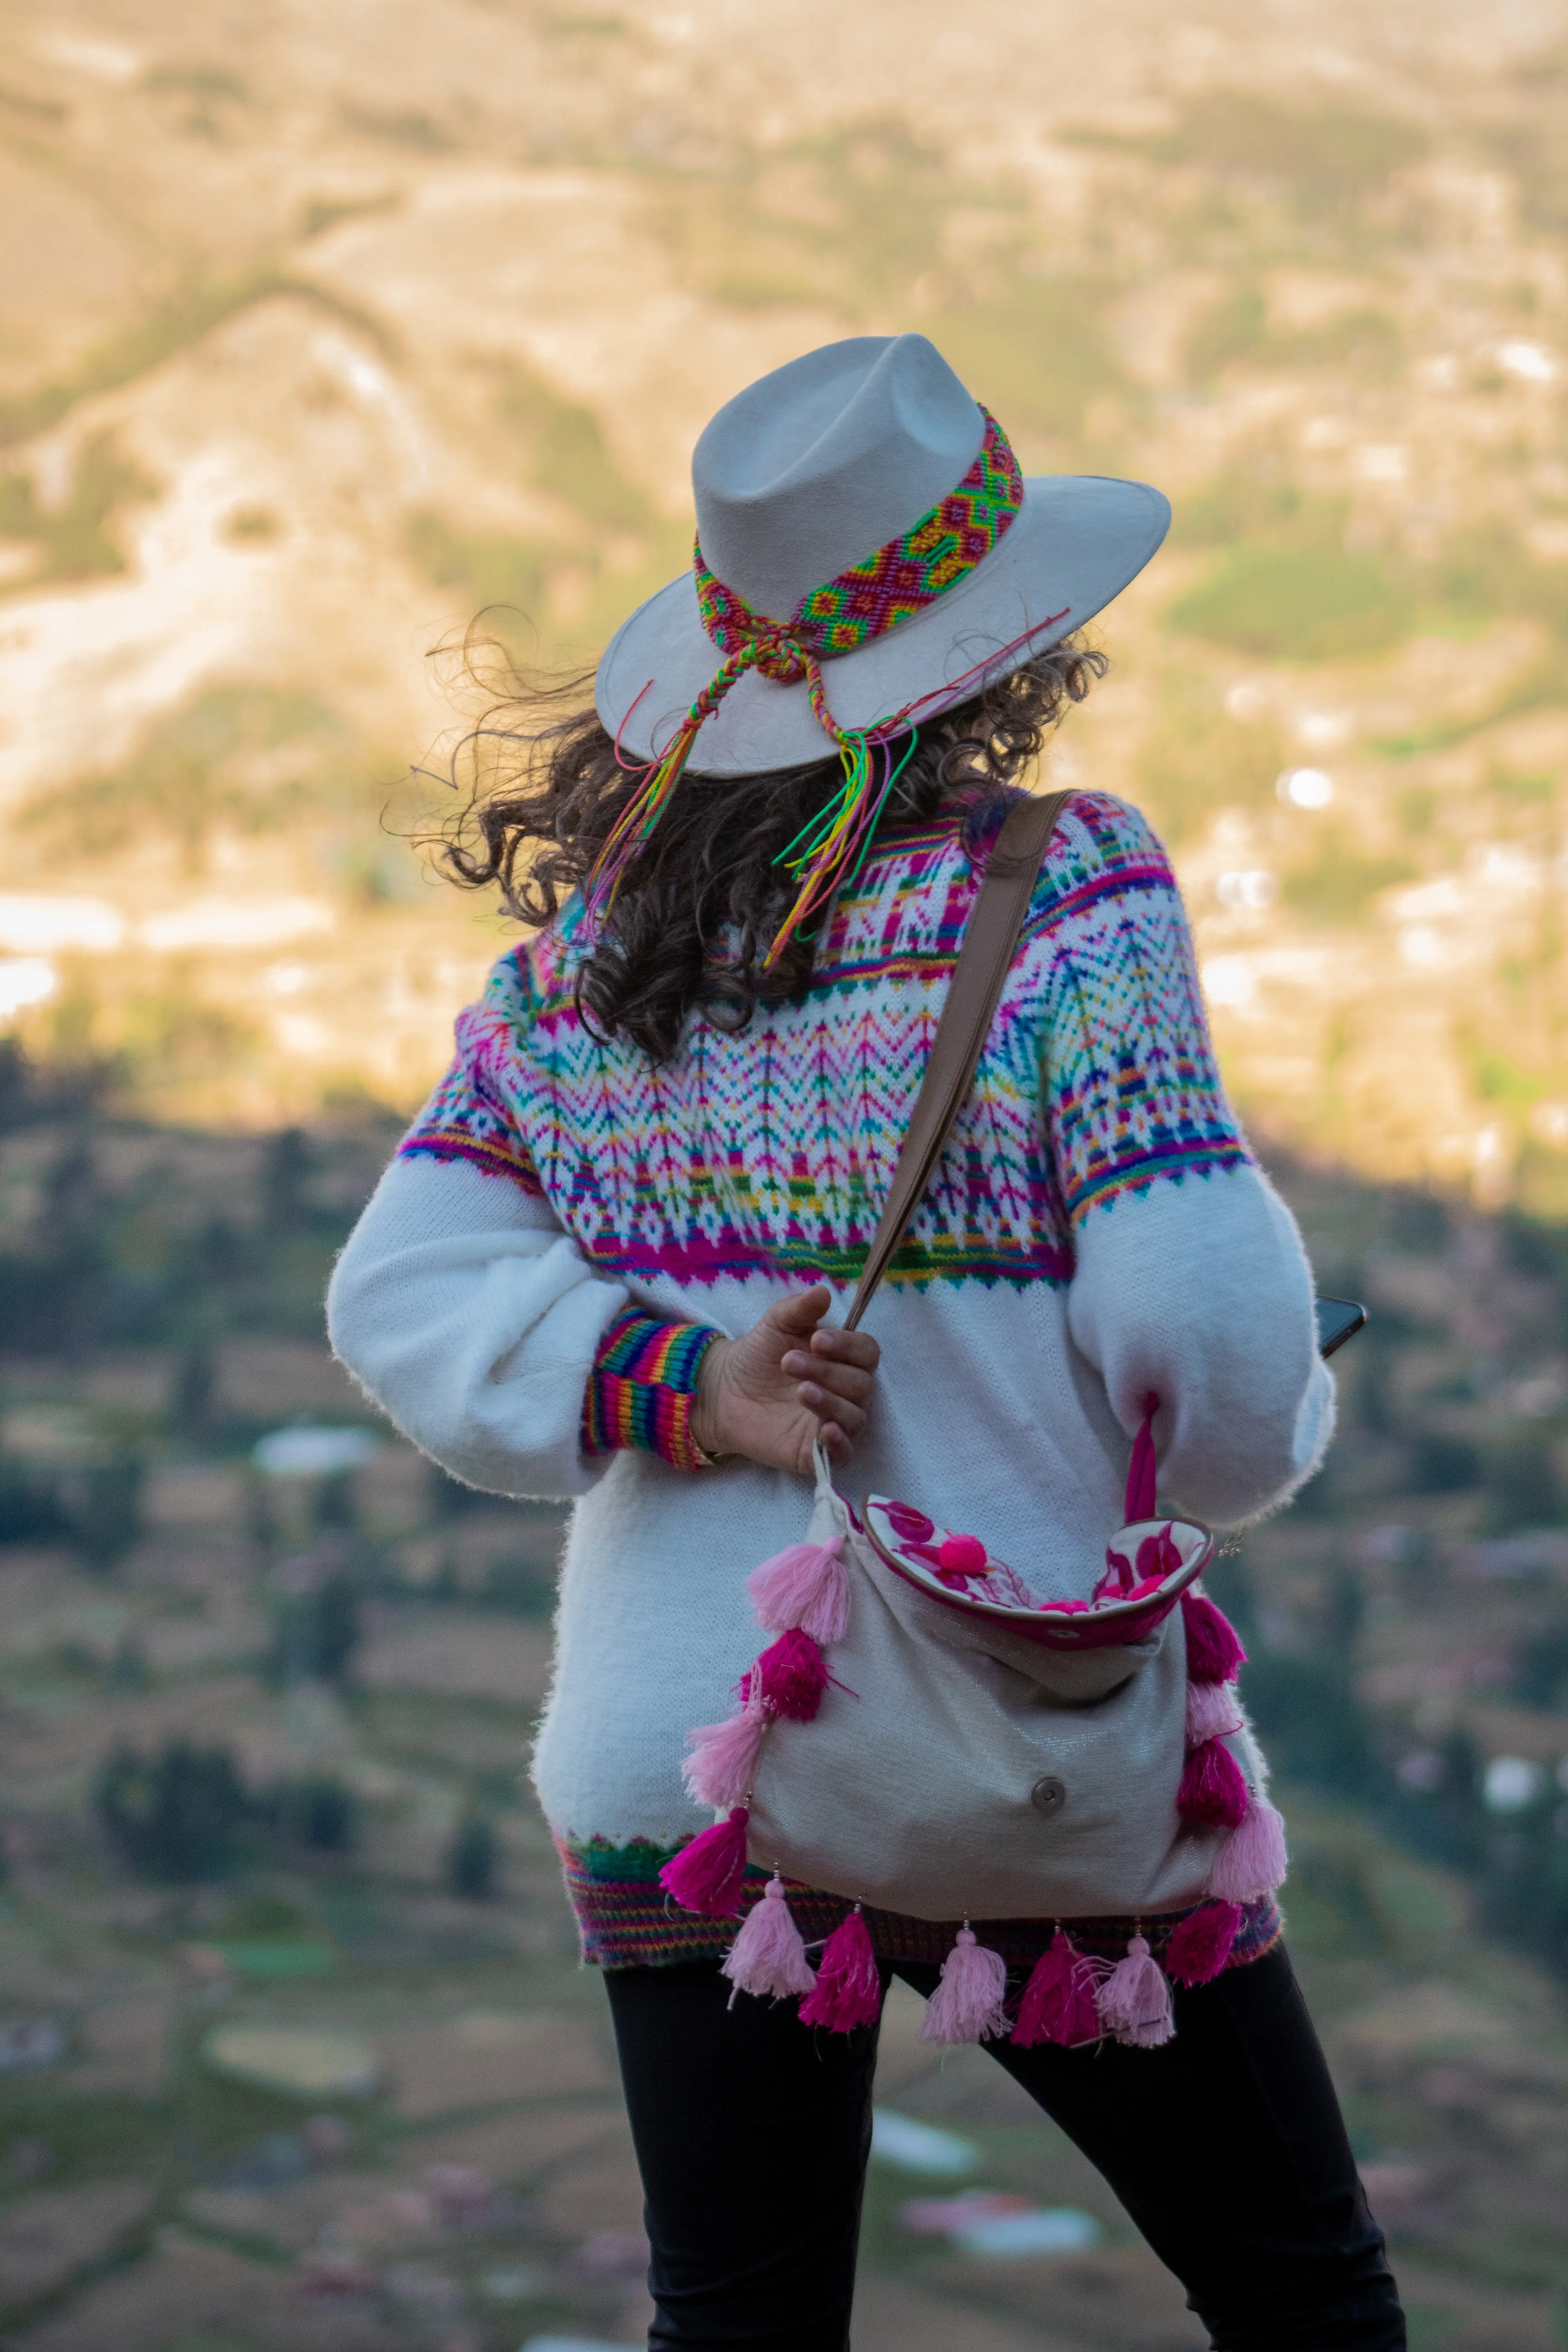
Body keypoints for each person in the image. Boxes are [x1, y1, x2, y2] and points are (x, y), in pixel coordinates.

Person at [328, 334, 1405, 2351]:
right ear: (1010, 649)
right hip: (1022, 1738)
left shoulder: (583, 969)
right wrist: (1265, 1441)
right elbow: (1210, 1343)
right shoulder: (1069, 890)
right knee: (1303, 2298)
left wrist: (693, 1387)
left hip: (689, 1764)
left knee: (734, 2331)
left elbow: (396, 1293)